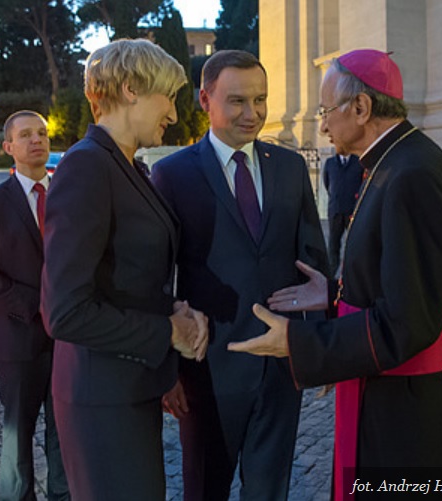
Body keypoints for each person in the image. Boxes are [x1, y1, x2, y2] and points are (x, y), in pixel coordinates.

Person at [229, 49, 442, 500]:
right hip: (400, 396)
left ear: (362, 108)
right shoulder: (400, 162)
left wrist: (299, 341)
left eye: (327, 111)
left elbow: (408, 323)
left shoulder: (410, 178)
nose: (323, 125)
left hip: (406, 411)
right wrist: (332, 295)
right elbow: (403, 283)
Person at [151, 50, 329, 500]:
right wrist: (166, 369)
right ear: (205, 99)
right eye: (237, 101)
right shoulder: (171, 174)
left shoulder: (290, 168)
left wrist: (319, 348)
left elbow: (314, 264)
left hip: (281, 367)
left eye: (261, 99)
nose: (253, 114)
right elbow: (158, 278)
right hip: (207, 373)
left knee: (270, 492)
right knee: (205, 489)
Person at [40, 39, 209, 501]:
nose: (174, 114)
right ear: (131, 89)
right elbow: (64, 312)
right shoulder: (87, 167)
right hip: (100, 401)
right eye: (169, 97)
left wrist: (175, 311)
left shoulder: (125, 166)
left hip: (127, 390)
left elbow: (126, 275)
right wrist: (166, 332)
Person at [0, 110, 69, 501]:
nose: (36, 140)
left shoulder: (70, 195)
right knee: (17, 439)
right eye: (26, 135)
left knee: (65, 435)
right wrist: (35, 304)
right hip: (18, 339)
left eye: (42, 133)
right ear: (9, 147)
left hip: (68, 339)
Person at [323, 152, 363, 277]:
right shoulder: (330, 163)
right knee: (333, 245)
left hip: (353, 210)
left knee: (354, 244)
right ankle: (331, 275)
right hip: (335, 210)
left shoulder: (358, 162)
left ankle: (353, 275)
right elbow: (327, 183)